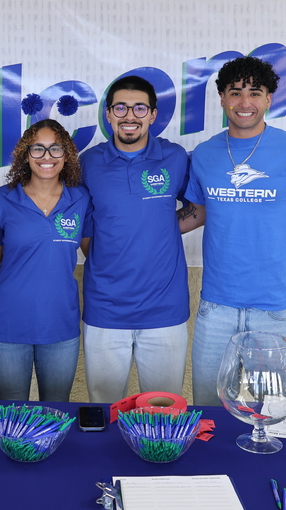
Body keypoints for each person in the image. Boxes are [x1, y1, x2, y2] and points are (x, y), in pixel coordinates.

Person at [181, 57, 286, 406]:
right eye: (235, 92)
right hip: (216, 306)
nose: (244, 103)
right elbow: (197, 213)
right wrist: (143, 234)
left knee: (274, 410)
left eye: (254, 93)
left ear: (268, 99)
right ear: (221, 98)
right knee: (209, 410)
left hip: (275, 310)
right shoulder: (204, 154)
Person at [79, 75, 191, 404]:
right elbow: (78, 221)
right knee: (105, 409)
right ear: (109, 114)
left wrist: (162, 227)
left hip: (164, 309)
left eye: (139, 107)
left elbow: (199, 208)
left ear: (153, 115)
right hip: (105, 309)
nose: (130, 115)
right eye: (121, 108)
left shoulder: (175, 157)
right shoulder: (88, 163)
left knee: (162, 410)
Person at [0, 119, 91, 401]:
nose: (46, 157)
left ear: (66, 155)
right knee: (13, 415)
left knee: (55, 414)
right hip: (8, 324)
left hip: (60, 324)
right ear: (25, 154)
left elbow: (95, 253)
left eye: (55, 149)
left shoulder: (80, 199)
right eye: (37, 149)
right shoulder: (2, 200)